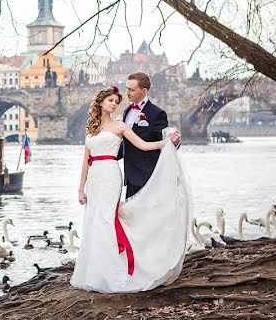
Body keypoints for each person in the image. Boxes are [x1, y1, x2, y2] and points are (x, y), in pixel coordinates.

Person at [70, 86, 190, 293]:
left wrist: (166, 142)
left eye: (117, 101)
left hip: (110, 176)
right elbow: (86, 160)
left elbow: (143, 145)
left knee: (107, 219)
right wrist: (81, 188)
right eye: (110, 100)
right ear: (100, 102)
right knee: (93, 220)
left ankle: (115, 271)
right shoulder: (91, 128)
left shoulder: (121, 126)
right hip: (95, 178)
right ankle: (95, 271)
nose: (114, 104)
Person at [120, 72, 181, 198]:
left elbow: (164, 141)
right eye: (127, 88)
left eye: (131, 89)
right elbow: (127, 143)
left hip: (149, 176)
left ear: (144, 91)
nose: (127, 93)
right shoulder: (127, 112)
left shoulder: (157, 113)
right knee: (131, 216)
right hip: (130, 176)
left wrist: (174, 142)